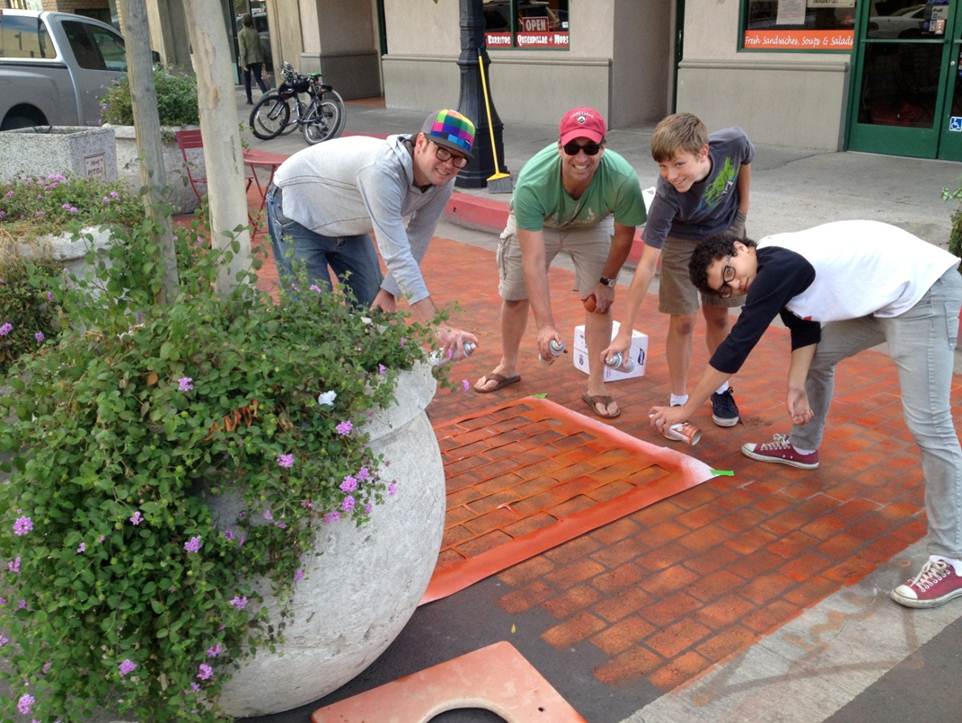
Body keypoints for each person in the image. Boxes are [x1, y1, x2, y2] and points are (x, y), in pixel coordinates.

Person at [649, 220, 962, 609]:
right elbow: (806, 329)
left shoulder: (776, 268)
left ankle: (952, 559)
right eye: (725, 290)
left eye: (729, 273)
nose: (735, 286)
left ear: (741, 249)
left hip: (923, 292)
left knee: (930, 427)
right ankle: (803, 447)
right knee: (817, 358)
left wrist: (686, 409)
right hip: (886, 295)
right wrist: (795, 385)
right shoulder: (773, 263)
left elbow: (737, 346)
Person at [473, 107, 646, 419]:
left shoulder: (623, 178)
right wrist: (545, 326)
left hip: (592, 223)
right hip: (541, 224)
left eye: (590, 148)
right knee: (515, 296)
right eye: (572, 148)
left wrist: (606, 282)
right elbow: (534, 259)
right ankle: (507, 366)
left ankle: (596, 385)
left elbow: (624, 238)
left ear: (603, 148)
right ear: (559, 147)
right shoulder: (532, 180)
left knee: (598, 303)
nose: (581, 157)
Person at [266, 108, 479, 360]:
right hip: (298, 208)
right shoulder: (382, 170)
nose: (448, 165)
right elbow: (397, 254)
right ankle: (318, 380)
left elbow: (418, 237)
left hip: (347, 219)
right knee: (314, 315)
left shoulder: (442, 181)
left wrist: (389, 291)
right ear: (421, 142)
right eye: (442, 152)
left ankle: (363, 372)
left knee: (373, 305)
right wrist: (437, 326)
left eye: (459, 159)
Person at [606, 112, 754, 433]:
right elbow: (646, 265)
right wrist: (625, 331)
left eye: (678, 164)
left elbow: (745, 160)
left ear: (703, 153)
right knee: (683, 320)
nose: (671, 175)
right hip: (682, 241)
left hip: (724, 234)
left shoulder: (732, 142)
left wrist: (742, 211)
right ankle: (678, 398)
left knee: (718, 316)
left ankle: (720, 389)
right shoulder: (667, 195)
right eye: (663, 166)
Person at [238, 14, 268, 105]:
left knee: (247, 81)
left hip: (247, 60)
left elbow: (242, 49)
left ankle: (249, 100)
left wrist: (243, 62)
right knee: (259, 79)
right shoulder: (255, 32)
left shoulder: (241, 33)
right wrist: (262, 60)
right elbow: (260, 47)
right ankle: (266, 99)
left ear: (243, 23)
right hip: (257, 58)